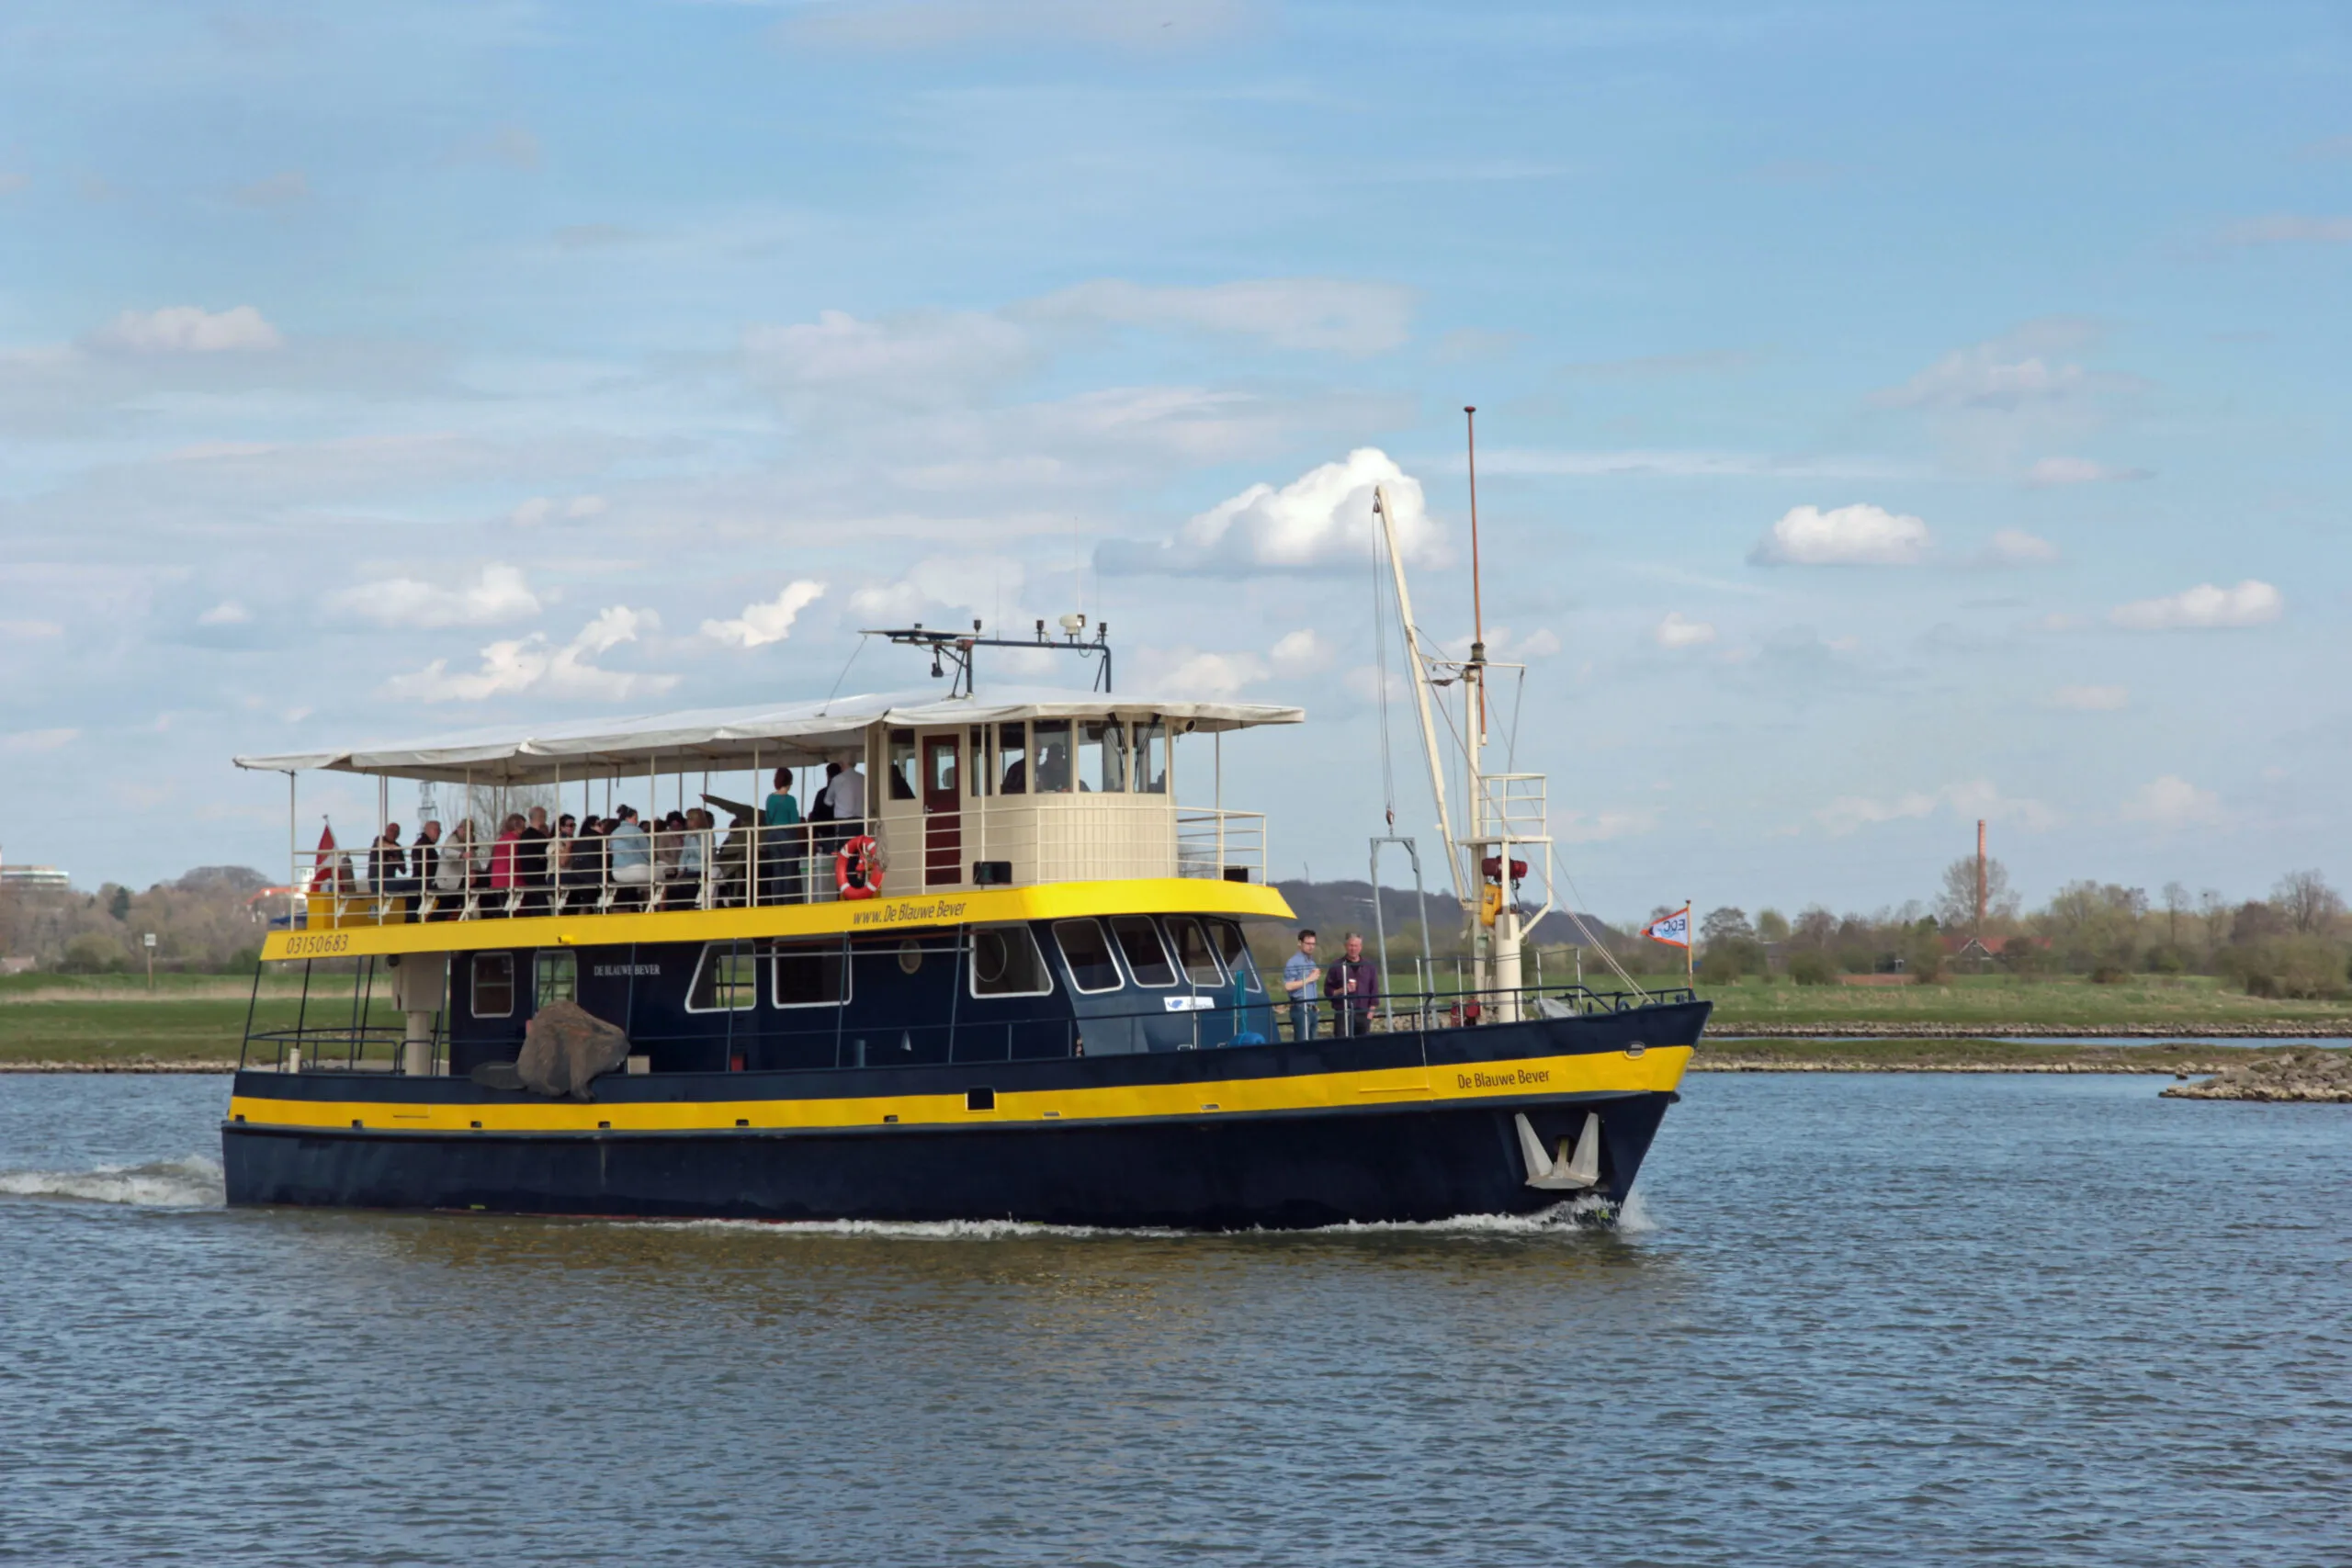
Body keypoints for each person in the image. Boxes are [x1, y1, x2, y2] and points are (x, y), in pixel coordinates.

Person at [1323, 931, 1379, 1038]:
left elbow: (1374, 991)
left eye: (1356, 946)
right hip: (1343, 1013)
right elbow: (1327, 991)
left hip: (1363, 1013)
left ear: (1360, 947)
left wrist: (1370, 1014)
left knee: (1363, 1045)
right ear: (1345, 946)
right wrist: (1342, 990)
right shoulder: (1336, 965)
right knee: (1342, 1045)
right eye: (1350, 946)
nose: (1353, 949)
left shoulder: (1369, 966)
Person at [761, 768, 801, 905]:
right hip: (788, 836)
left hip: (773, 836)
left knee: (777, 870)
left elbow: (768, 819)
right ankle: (788, 900)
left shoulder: (770, 798)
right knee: (789, 871)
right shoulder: (790, 800)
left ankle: (777, 901)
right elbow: (795, 821)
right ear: (789, 781)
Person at [1283, 929, 1320, 1042]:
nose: (1311, 947)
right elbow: (1288, 986)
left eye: (1313, 944)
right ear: (1300, 943)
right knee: (1302, 1044)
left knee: (1313, 1044)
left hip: (1312, 1009)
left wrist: (1315, 1004)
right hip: (1300, 1007)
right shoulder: (1293, 962)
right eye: (1308, 943)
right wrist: (1310, 979)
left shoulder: (1311, 962)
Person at [608, 806, 652, 904]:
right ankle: (654, 909)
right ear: (627, 819)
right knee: (662, 873)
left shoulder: (614, 833)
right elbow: (648, 852)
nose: (637, 821)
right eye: (635, 818)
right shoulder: (636, 830)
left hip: (617, 872)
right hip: (637, 870)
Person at [517, 806, 553, 916]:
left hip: (526, 876)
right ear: (542, 818)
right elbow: (547, 855)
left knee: (533, 908)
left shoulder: (524, 836)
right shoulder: (539, 837)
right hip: (538, 877)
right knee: (542, 910)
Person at [369, 825, 411, 916]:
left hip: (390, 881)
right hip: (377, 881)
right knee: (412, 884)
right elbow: (381, 845)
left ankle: (411, 916)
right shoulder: (379, 839)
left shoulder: (398, 848)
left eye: (396, 832)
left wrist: (396, 861)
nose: (393, 833)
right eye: (391, 830)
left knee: (414, 885)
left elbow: (404, 870)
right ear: (386, 831)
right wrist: (394, 848)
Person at [489, 813, 525, 915]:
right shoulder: (516, 841)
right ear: (517, 826)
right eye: (524, 826)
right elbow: (518, 862)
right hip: (511, 881)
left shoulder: (500, 841)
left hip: (496, 882)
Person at [822, 758, 866, 838]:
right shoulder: (863, 778)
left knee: (844, 847)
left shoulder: (837, 779)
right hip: (861, 820)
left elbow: (827, 801)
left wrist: (836, 802)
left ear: (842, 764)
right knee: (860, 846)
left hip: (843, 821)